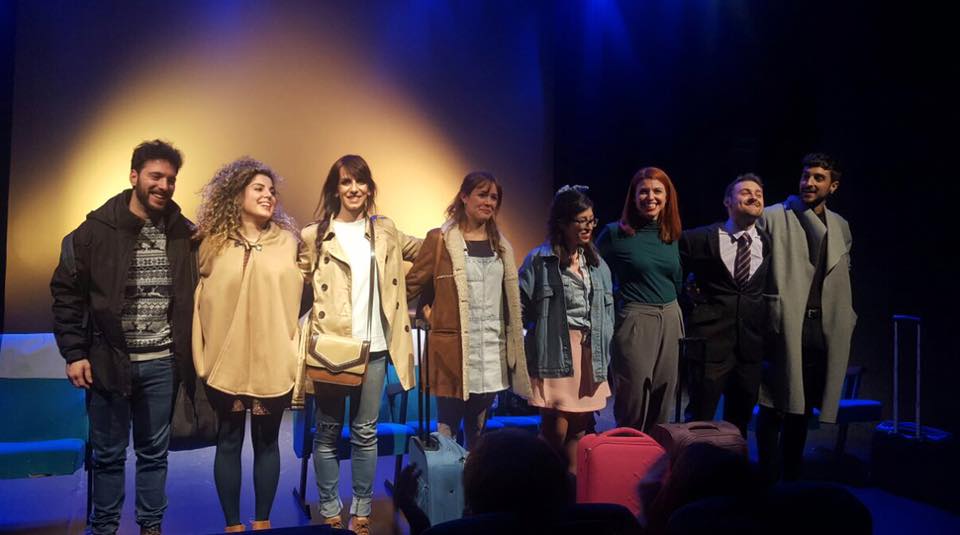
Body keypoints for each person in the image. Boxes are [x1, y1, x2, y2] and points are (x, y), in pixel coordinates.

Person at [50, 139, 195, 535]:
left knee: (154, 455)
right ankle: (104, 528)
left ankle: (151, 527)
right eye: (155, 176)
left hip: (162, 363)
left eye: (171, 179)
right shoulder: (93, 232)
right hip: (108, 362)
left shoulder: (183, 233)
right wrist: (74, 352)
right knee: (108, 456)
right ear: (134, 176)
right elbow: (66, 293)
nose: (164, 185)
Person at [294, 154, 421, 533]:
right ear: (335, 189)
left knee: (366, 433)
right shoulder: (315, 235)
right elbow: (294, 286)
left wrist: (411, 296)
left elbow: (427, 250)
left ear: (369, 187)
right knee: (327, 432)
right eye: (346, 181)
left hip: (376, 347)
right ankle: (331, 513)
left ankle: (361, 514)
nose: (354, 189)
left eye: (360, 181)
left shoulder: (385, 230)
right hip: (332, 348)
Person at [192, 157, 302, 532]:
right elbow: (203, 300)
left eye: (272, 190)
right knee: (228, 439)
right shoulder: (213, 244)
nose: (268, 195)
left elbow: (296, 296)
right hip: (226, 360)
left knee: (268, 442)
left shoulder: (287, 243)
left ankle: (262, 523)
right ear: (237, 194)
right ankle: (232, 525)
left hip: (273, 359)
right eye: (259, 188)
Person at [406, 172, 532, 449]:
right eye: (482, 195)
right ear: (464, 197)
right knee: (447, 430)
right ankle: (450, 477)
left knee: (478, 430)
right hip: (452, 349)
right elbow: (410, 286)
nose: (489, 202)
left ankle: (476, 475)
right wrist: (424, 314)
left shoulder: (501, 246)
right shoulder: (440, 240)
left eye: (494, 198)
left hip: (491, 349)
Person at [755, 153, 856, 482]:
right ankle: (767, 478)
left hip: (819, 328)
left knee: (802, 407)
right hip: (783, 324)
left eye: (818, 178)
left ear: (833, 186)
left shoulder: (840, 226)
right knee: (773, 404)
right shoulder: (774, 216)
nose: (808, 183)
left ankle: (791, 478)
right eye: (805, 176)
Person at [518, 185, 613, 474]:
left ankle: (572, 489)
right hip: (554, 349)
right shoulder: (540, 260)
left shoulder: (596, 263)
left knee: (579, 430)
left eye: (591, 220)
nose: (588, 227)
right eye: (581, 221)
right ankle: (543, 487)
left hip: (588, 352)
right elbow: (519, 305)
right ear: (562, 222)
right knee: (554, 431)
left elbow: (606, 312)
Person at [679, 174, 770, 436]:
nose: (754, 197)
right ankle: (694, 462)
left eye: (759, 194)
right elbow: (674, 276)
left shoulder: (767, 242)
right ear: (727, 201)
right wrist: (692, 304)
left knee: (739, 424)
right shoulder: (699, 238)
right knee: (700, 419)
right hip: (709, 345)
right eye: (745, 192)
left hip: (749, 349)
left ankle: (732, 463)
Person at [597, 167, 684, 432]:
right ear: (633, 197)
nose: (650, 197)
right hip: (635, 318)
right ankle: (629, 451)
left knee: (664, 394)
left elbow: (676, 279)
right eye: (643, 191)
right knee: (633, 398)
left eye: (657, 191)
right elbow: (592, 274)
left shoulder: (671, 234)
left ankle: (657, 454)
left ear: (667, 197)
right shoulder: (615, 234)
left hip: (671, 317)